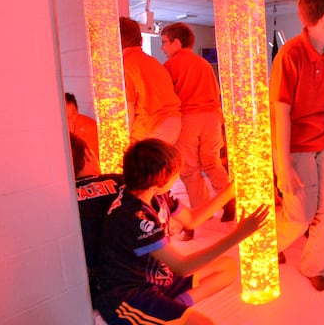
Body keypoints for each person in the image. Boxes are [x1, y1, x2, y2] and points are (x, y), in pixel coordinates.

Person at [94, 138, 269, 325]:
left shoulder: (152, 193)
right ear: (156, 183)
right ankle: (167, 312)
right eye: (175, 175)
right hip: (129, 295)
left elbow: (191, 220)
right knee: (204, 323)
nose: (178, 177)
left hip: (159, 279)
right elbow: (183, 267)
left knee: (228, 267)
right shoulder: (135, 220)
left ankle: (174, 306)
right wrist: (238, 235)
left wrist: (229, 191)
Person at [270, 0, 324, 291]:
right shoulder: (290, 55)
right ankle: (265, 245)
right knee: (299, 216)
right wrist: (283, 166)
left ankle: (314, 265)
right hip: (295, 146)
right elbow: (281, 115)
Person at [161, 22, 235, 236]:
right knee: (212, 162)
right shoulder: (203, 64)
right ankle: (228, 201)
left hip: (188, 118)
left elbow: (168, 97)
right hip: (212, 117)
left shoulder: (171, 65)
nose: (163, 48)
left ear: (177, 42)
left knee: (190, 169)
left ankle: (201, 213)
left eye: (164, 42)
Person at [69, 132, 121, 298]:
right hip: (126, 276)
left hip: (80, 287)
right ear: (88, 153)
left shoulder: (56, 199)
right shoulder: (122, 181)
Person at [119, 16, 182, 145]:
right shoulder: (153, 62)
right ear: (141, 40)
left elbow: (128, 109)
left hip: (152, 128)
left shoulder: (126, 66)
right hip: (174, 123)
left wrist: (123, 140)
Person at [65, 92, 99, 160]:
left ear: (77, 111)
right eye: (66, 115)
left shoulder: (91, 127)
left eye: (73, 113)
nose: (70, 119)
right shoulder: (55, 131)